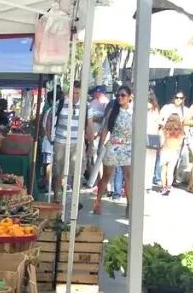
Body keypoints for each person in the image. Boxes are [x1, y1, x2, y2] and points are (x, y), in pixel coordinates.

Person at [45, 80, 92, 202]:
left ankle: (76, 200)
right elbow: (49, 118)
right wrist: (50, 136)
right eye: (73, 93)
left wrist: (90, 145)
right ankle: (56, 196)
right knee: (58, 170)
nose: (75, 96)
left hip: (77, 143)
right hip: (60, 141)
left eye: (77, 93)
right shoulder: (60, 103)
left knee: (77, 172)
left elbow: (89, 127)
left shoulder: (86, 106)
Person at [93, 85, 133, 214]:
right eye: (118, 95)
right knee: (106, 175)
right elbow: (105, 128)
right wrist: (100, 145)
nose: (120, 98)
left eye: (123, 95)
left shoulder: (133, 112)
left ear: (129, 97)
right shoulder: (113, 110)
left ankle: (129, 204)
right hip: (113, 145)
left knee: (128, 177)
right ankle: (98, 202)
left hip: (127, 146)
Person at [158, 91, 189, 186]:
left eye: (181, 98)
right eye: (177, 97)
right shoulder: (167, 108)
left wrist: (183, 136)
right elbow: (159, 119)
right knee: (164, 165)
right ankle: (164, 184)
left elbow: (186, 124)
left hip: (177, 139)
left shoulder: (185, 110)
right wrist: (164, 127)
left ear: (184, 99)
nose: (178, 100)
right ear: (174, 97)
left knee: (172, 164)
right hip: (166, 137)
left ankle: (168, 183)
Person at [85, 85, 111, 187]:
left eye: (95, 92)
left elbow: (104, 120)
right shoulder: (97, 102)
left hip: (98, 134)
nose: (93, 94)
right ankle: (97, 181)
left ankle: (99, 182)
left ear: (99, 92)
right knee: (97, 158)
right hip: (97, 134)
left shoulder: (103, 103)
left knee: (98, 158)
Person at [158, 104, 185, 196]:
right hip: (174, 152)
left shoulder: (165, 129)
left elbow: (161, 141)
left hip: (165, 150)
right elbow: (180, 143)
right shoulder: (181, 131)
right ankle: (169, 187)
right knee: (170, 171)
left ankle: (163, 187)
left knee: (163, 170)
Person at [145, 90, 162, 193]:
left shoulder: (143, 107)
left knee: (141, 162)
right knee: (151, 163)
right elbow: (160, 123)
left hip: (143, 136)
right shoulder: (156, 109)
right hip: (153, 137)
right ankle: (148, 185)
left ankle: (141, 183)